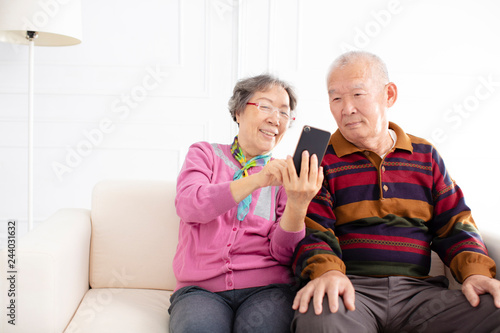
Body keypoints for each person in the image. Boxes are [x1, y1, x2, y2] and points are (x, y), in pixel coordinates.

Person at [291, 51, 500, 332]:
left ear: (388, 95)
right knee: (320, 316)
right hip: (352, 294)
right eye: (336, 98)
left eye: (357, 94)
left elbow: (455, 224)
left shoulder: (425, 156)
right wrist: (327, 271)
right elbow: (313, 229)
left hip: (421, 298)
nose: (347, 108)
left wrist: (475, 273)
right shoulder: (321, 161)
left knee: (495, 305)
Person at [168, 74, 323, 333]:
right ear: (239, 111)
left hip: (267, 290)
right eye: (265, 106)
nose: (275, 119)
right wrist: (258, 180)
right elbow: (190, 205)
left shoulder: (286, 177)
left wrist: (298, 204)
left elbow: (282, 253)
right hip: (200, 290)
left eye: (284, 113)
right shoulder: (205, 154)